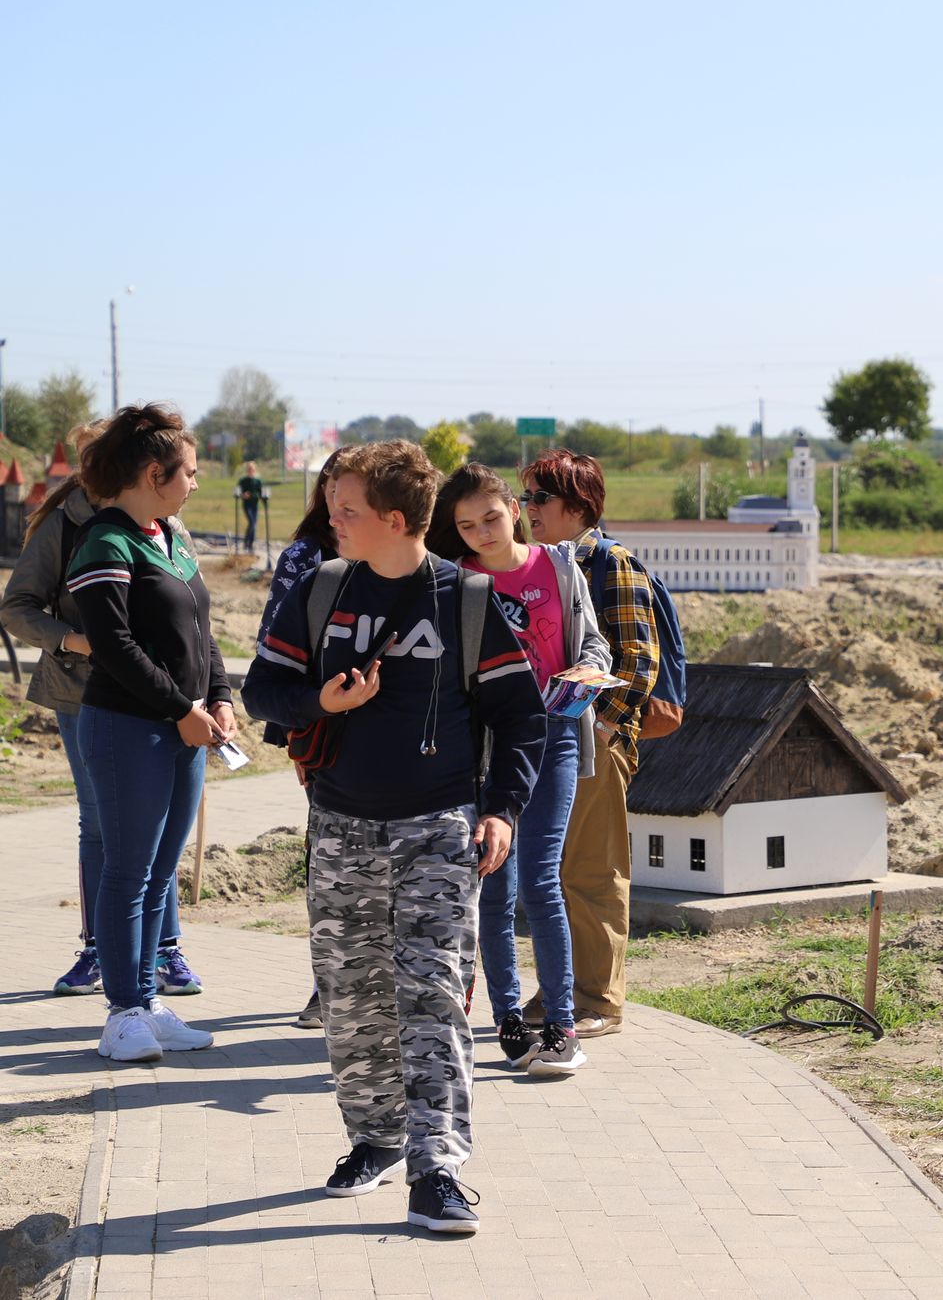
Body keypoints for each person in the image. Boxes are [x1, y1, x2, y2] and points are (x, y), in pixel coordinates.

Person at [242, 440, 544, 1234]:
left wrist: (503, 809)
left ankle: (436, 1167)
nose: (332, 520)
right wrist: (323, 703)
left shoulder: (467, 600)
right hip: (339, 827)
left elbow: (521, 717)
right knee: (352, 998)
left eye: (347, 509)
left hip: (439, 828)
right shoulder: (321, 588)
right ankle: (374, 1138)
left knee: (433, 994)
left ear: (397, 518)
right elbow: (263, 688)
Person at [3, 420, 205, 998]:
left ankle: (163, 952)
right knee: (104, 831)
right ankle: (105, 957)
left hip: (165, 704)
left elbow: (194, 614)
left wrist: (210, 691)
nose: (98, 466)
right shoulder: (69, 526)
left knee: (156, 841)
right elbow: (16, 608)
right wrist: (75, 641)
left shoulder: (165, 522)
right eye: (88, 456)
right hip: (85, 696)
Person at [65, 403, 233, 1063]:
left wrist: (218, 697)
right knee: (128, 872)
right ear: (152, 473)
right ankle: (122, 1014)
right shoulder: (105, 540)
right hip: (128, 728)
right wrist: (179, 708)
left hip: (184, 726)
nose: (194, 482)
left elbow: (201, 628)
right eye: (187, 472)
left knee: (160, 873)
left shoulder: (171, 536)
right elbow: (114, 645)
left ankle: (147, 1003)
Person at [428, 464, 609, 1076]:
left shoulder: (558, 566)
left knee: (541, 879)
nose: (482, 532)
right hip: (487, 749)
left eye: (491, 517)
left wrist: (586, 671)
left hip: (556, 735)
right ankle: (508, 1019)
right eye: (467, 525)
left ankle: (561, 1025)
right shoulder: (455, 582)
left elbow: (594, 642)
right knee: (494, 884)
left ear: (513, 509)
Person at [516, 449, 658, 1039]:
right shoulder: (538, 565)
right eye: (525, 497)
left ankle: (598, 999)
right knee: (551, 873)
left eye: (541, 498)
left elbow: (638, 660)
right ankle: (560, 991)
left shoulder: (611, 563)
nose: (528, 509)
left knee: (593, 873)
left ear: (578, 506)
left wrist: (602, 728)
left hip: (595, 744)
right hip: (549, 742)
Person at [255, 448, 349, 1030]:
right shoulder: (305, 556)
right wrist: (297, 731)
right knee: (330, 862)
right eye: (334, 487)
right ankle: (327, 984)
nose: (342, 502)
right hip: (323, 729)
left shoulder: (405, 555)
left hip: (401, 737)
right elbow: (275, 650)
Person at [237, 460, 266, 552]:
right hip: (247, 505)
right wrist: (243, 495)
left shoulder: (257, 481)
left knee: (253, 525)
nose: (250, 471)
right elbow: (239, 492)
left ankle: (250, 543)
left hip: (255, 504)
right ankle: (247, 542)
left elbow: (261, 493)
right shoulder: (243, 480)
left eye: (252, 469)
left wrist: (264, 502)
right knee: (252, 523)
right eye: (249, 469)